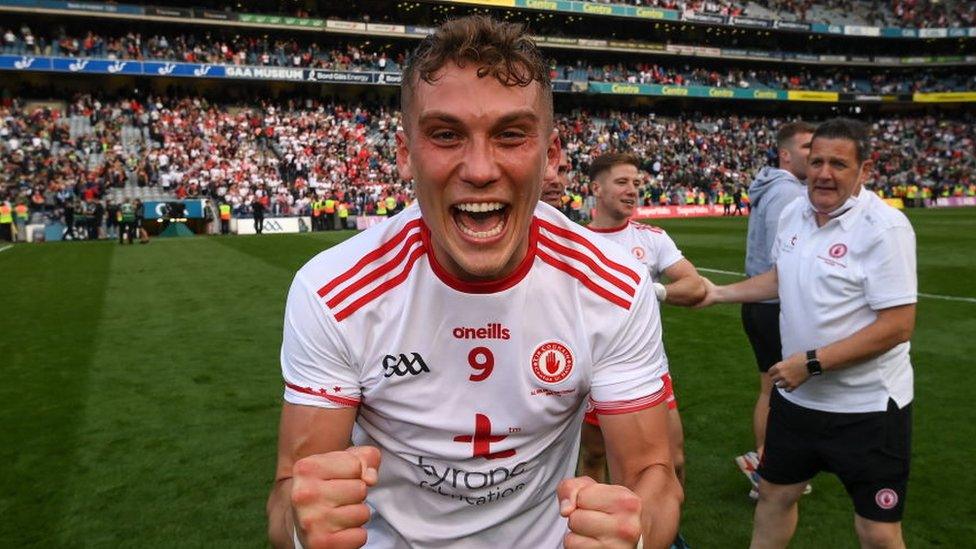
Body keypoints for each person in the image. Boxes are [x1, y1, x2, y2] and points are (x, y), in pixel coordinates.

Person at [267, 15, 681, 549]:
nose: (480, 169)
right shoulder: (332, 291)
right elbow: (290, 492)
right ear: (404, 154)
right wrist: (302, 528)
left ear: (550, 155)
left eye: (511, 135)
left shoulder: (615, 286)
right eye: (446, 135)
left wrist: (639, 529)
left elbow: (653, 471)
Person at [700, 118, 917, 549]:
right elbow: (783, 277)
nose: (823, 173)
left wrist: (812, 362)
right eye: (816, 161)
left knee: (876, 530)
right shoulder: (794, 212)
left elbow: (897, 325)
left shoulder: (885, 229)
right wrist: (717, 293)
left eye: (838, 163)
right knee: (774, 497)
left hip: (868, 408)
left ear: (864, 171)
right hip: (797, 403)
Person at [582, 153, 706, 549]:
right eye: (621, 182)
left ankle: (665, 533)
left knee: (673, 461)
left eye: (635, 182)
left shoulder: (651, 239)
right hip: (588, 373)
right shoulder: (574, 241)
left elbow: (695, 285)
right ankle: (602, 533)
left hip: (647, 370)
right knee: (594, 458)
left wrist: (652, 291)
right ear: (596, 189)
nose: (632, 190)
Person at [735, 121, 815, 498]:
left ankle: (768, 463)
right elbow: (781, 258)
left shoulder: (775, 187)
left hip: (761, 302)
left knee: (771, 389)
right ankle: (767, 467)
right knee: (778, 391)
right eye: (806, 147)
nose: (813, 154)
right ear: (785, 154)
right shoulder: (788, 194)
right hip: (772, 303)